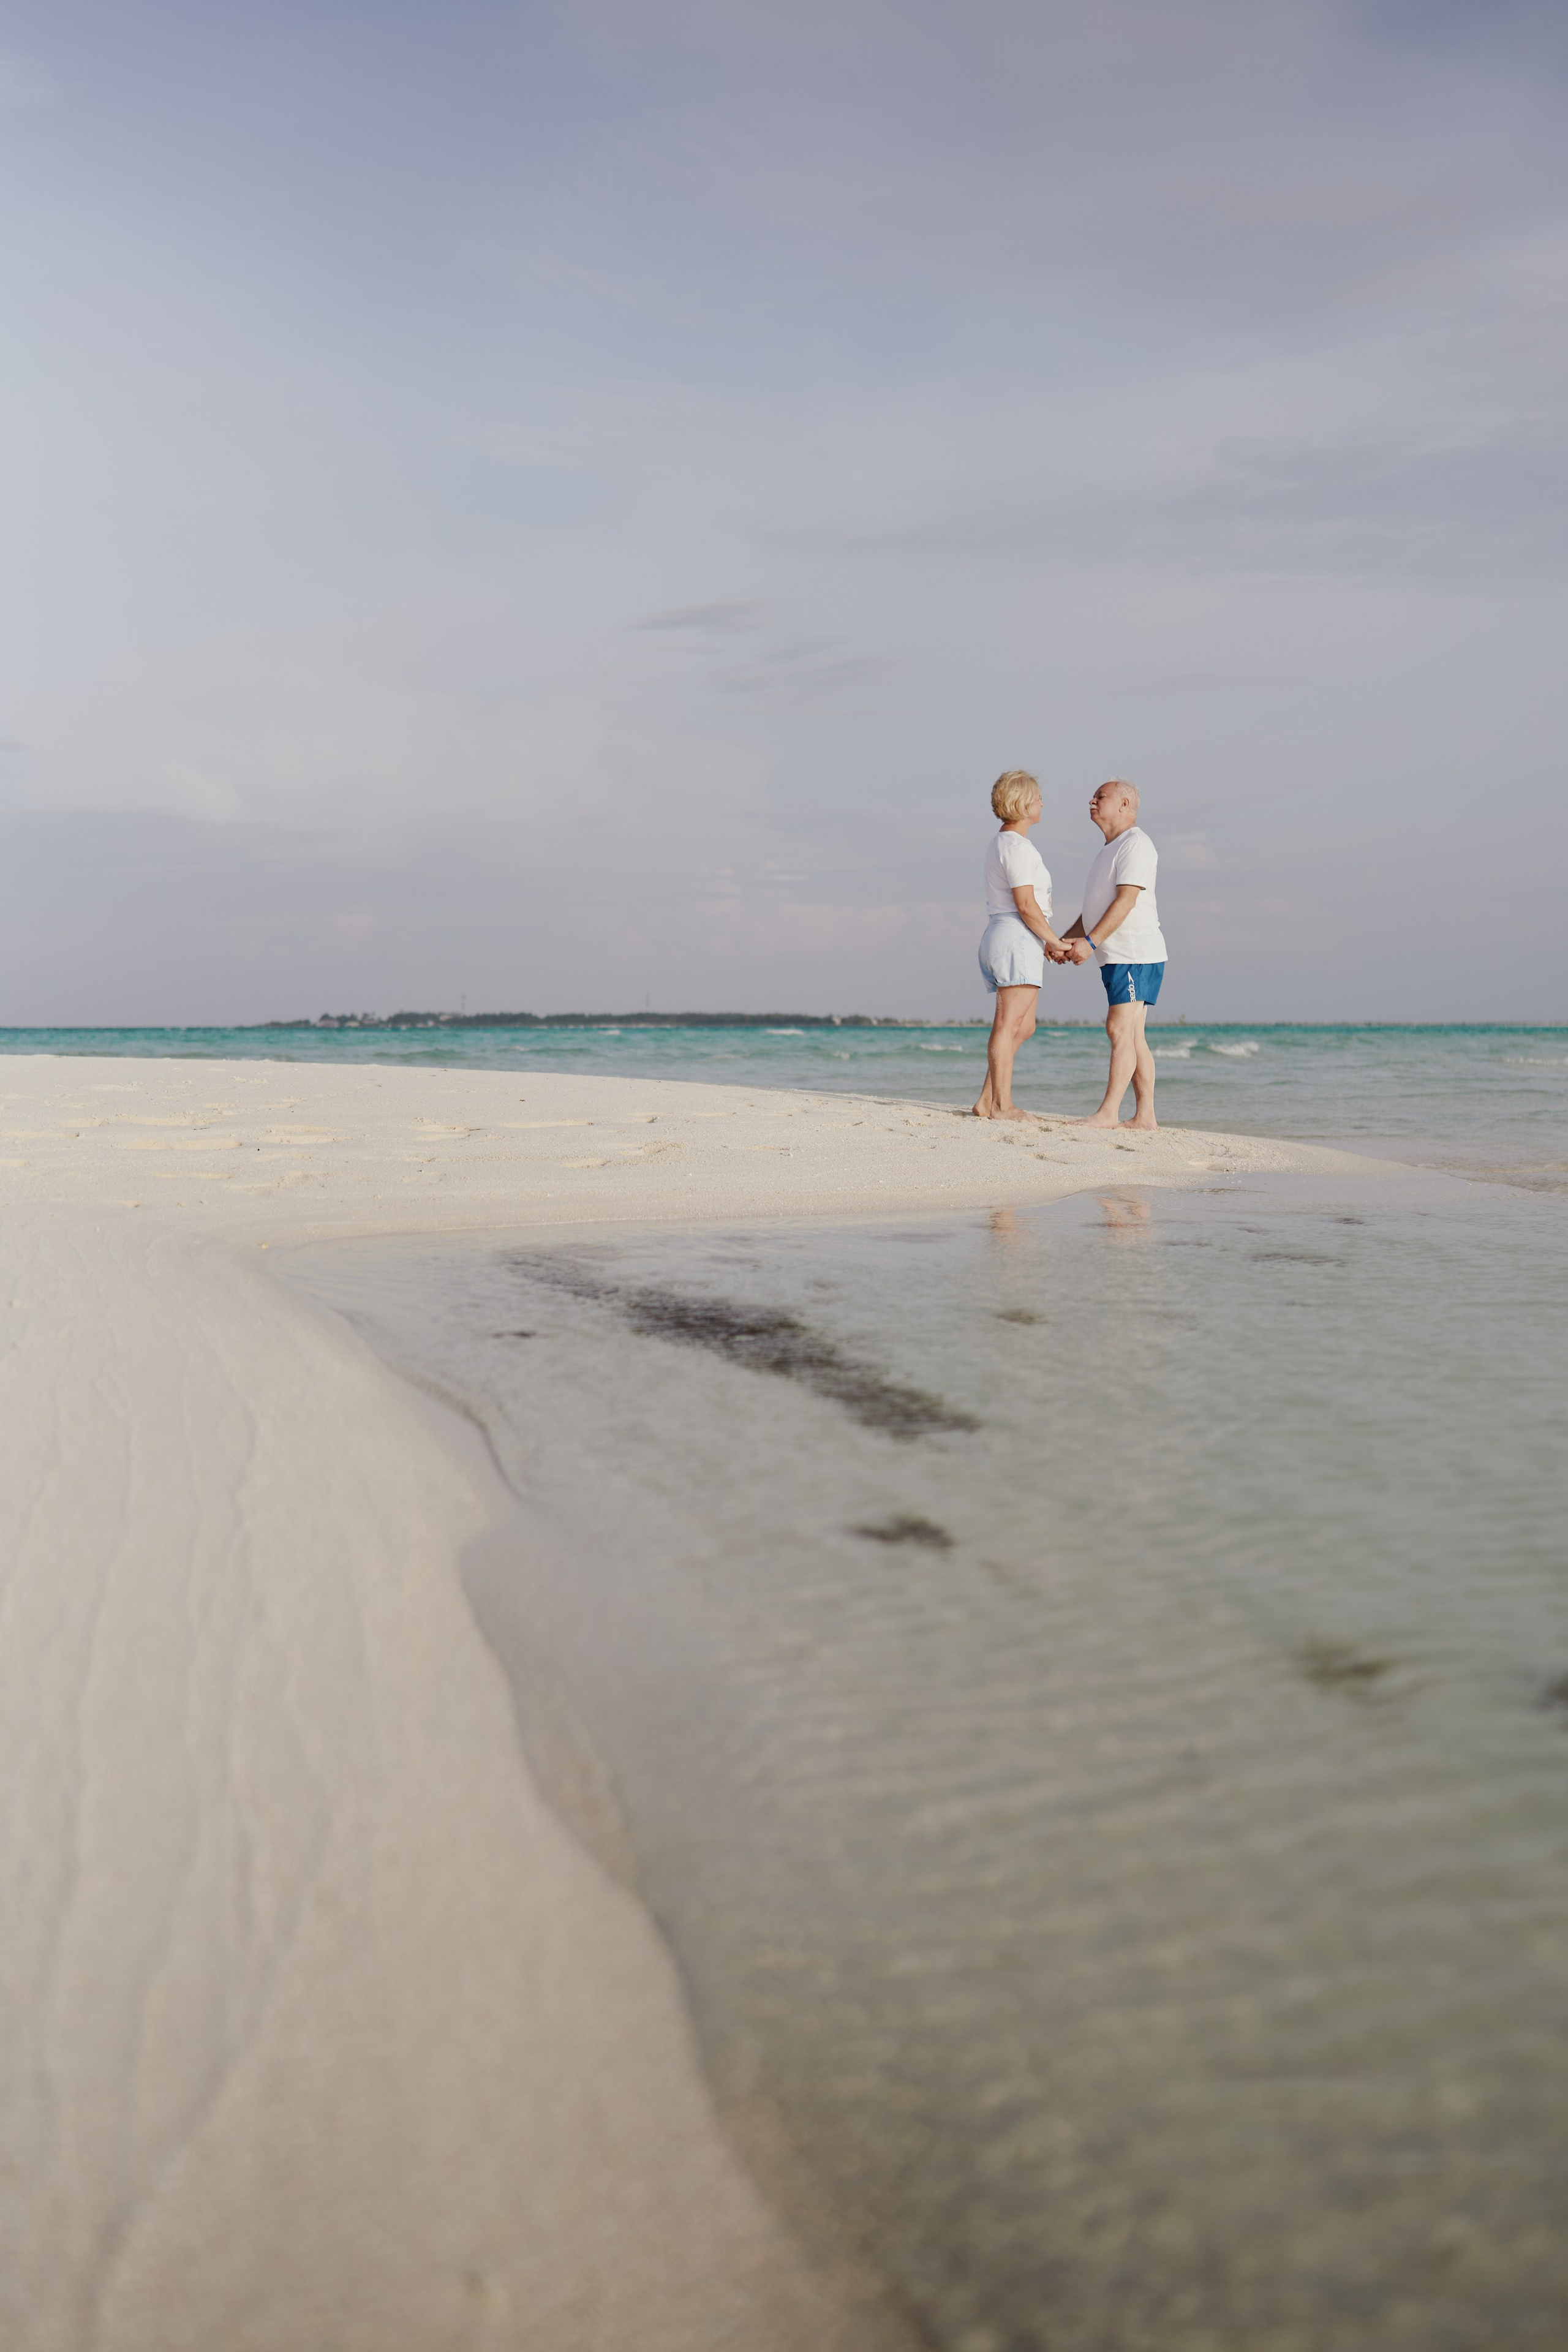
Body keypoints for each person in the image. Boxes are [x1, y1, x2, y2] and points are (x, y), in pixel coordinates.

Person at [1060, 778, 1167, 1131]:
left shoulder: (1136, 844)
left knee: (1119, 1030)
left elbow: (1126, 900)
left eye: (1100, 797)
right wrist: (1066, 939)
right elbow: (1096, 908)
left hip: (1135, 953)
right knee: (1134, 1036)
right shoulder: (1110, 848)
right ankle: (1146, 1117)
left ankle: (1108, 1114)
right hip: (1118, 955)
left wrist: (1089, 944)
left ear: (1124, 804)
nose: (1092, 801)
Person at [972, 769, 1075, 1120]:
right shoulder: (1016, 847)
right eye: (1038, 797)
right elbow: (1027, 906)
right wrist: (1055, 941)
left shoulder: (1002, 843)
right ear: (1024, 802)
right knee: (1007, 1024)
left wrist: (1044, 941)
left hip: (1016, 936)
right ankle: (1002, 1106)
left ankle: (988, 1100)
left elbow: (1030, 909)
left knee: (1024, 1027)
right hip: (1015, 936)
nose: (1043, 802)